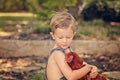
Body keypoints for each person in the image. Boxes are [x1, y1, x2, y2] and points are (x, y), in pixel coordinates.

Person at [46, 12, 98, 80]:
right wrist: (87, 68)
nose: (64, 41)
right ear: (53, 35)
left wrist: (92, 67)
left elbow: (80, 63)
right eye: (60, 38)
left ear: (73, 35)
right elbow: (71, 77)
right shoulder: (57, 54)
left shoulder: (68, 49)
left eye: (68, 37)